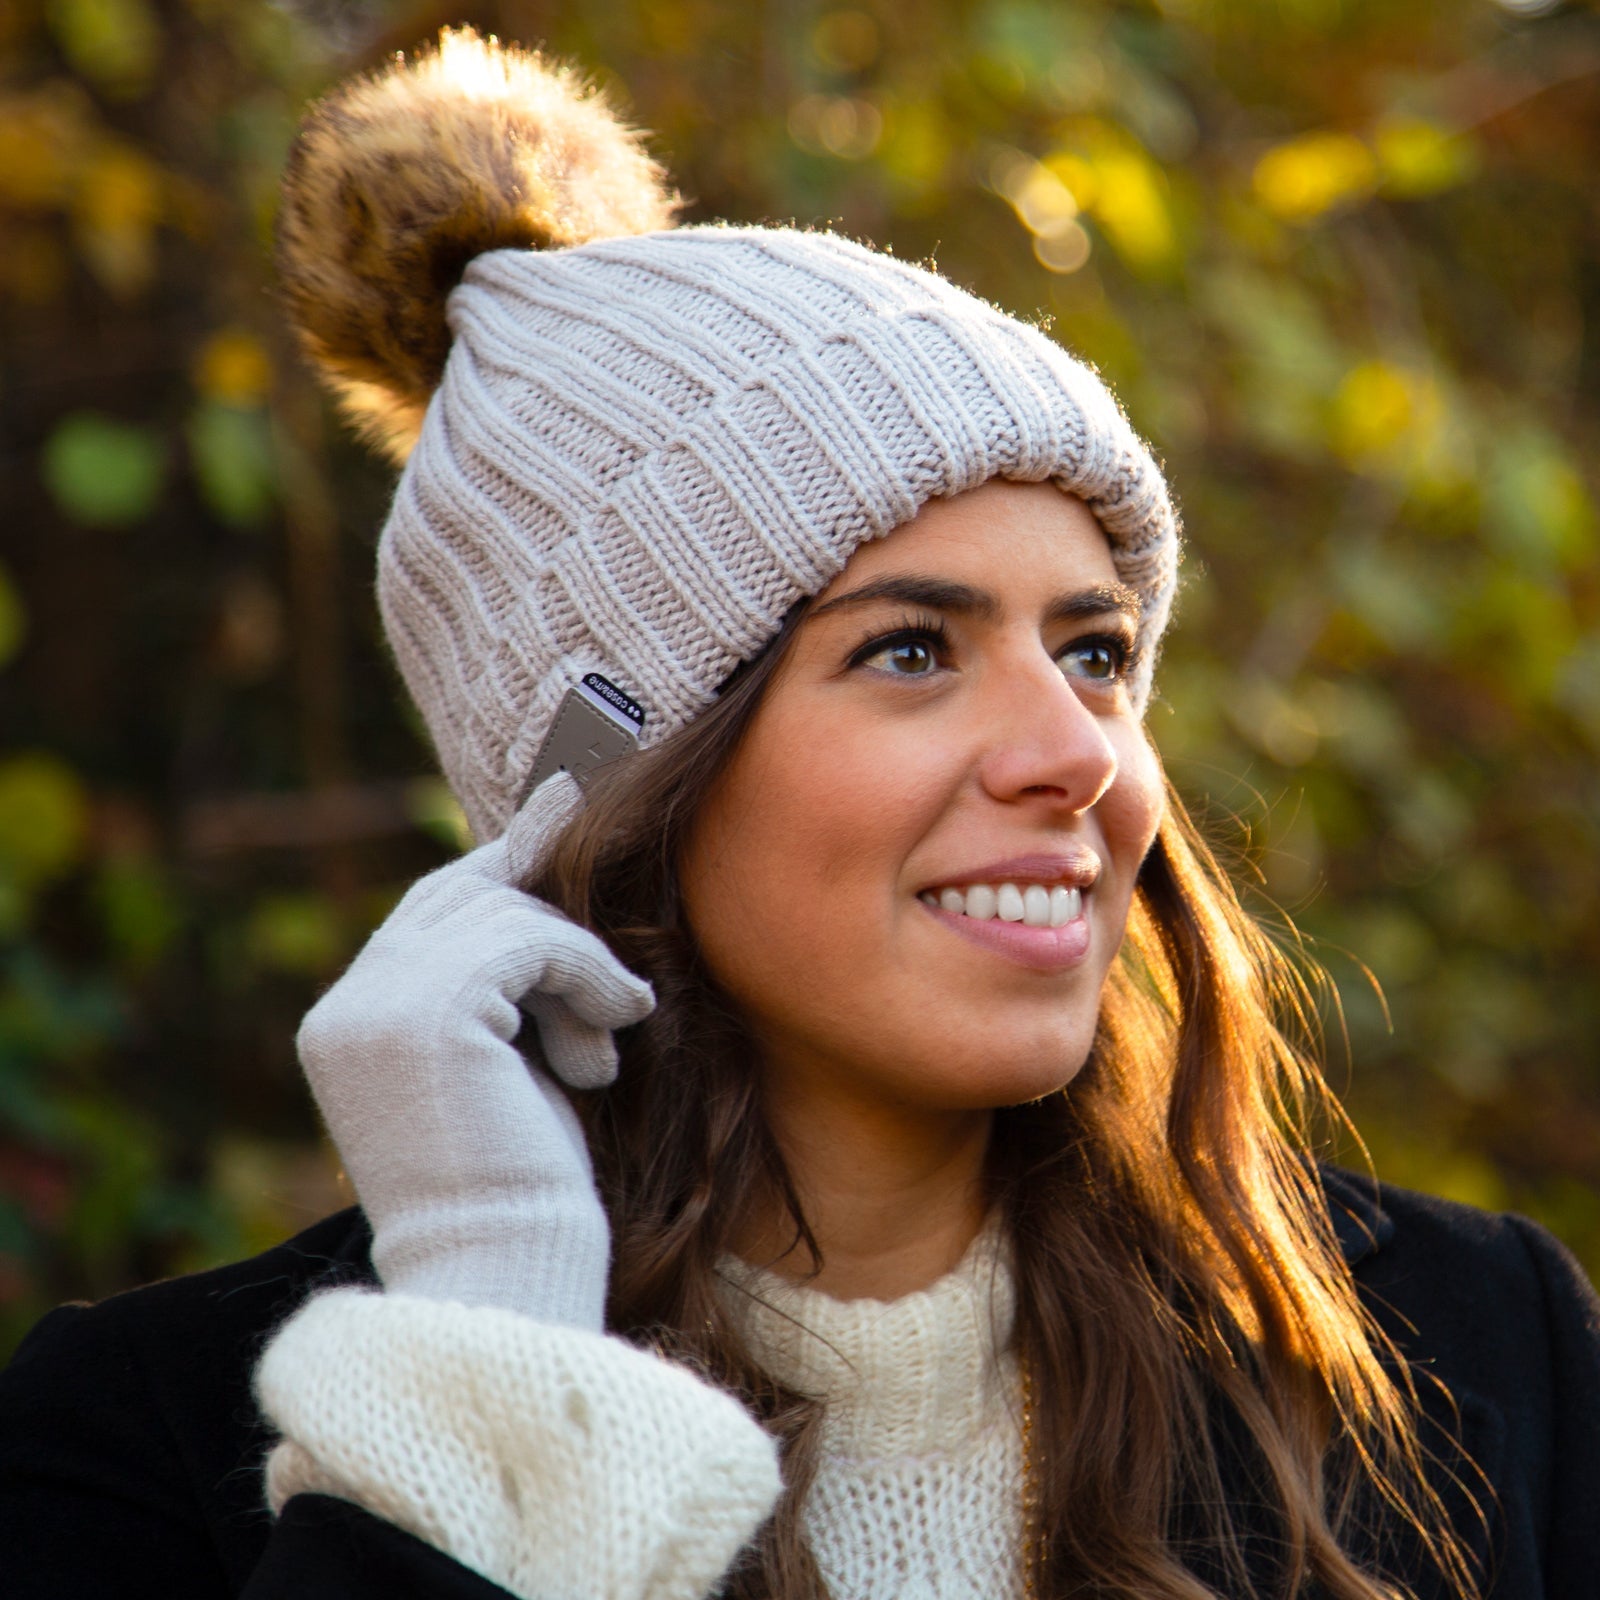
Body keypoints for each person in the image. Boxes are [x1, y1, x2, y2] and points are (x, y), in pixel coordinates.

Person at [1, 28, 1596, 1600]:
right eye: (911, 650)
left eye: (1095, 651)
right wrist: (488, 1345)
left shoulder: (1475, 1355)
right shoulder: (149, 1444)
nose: (1080, 755)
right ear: (600, 784)